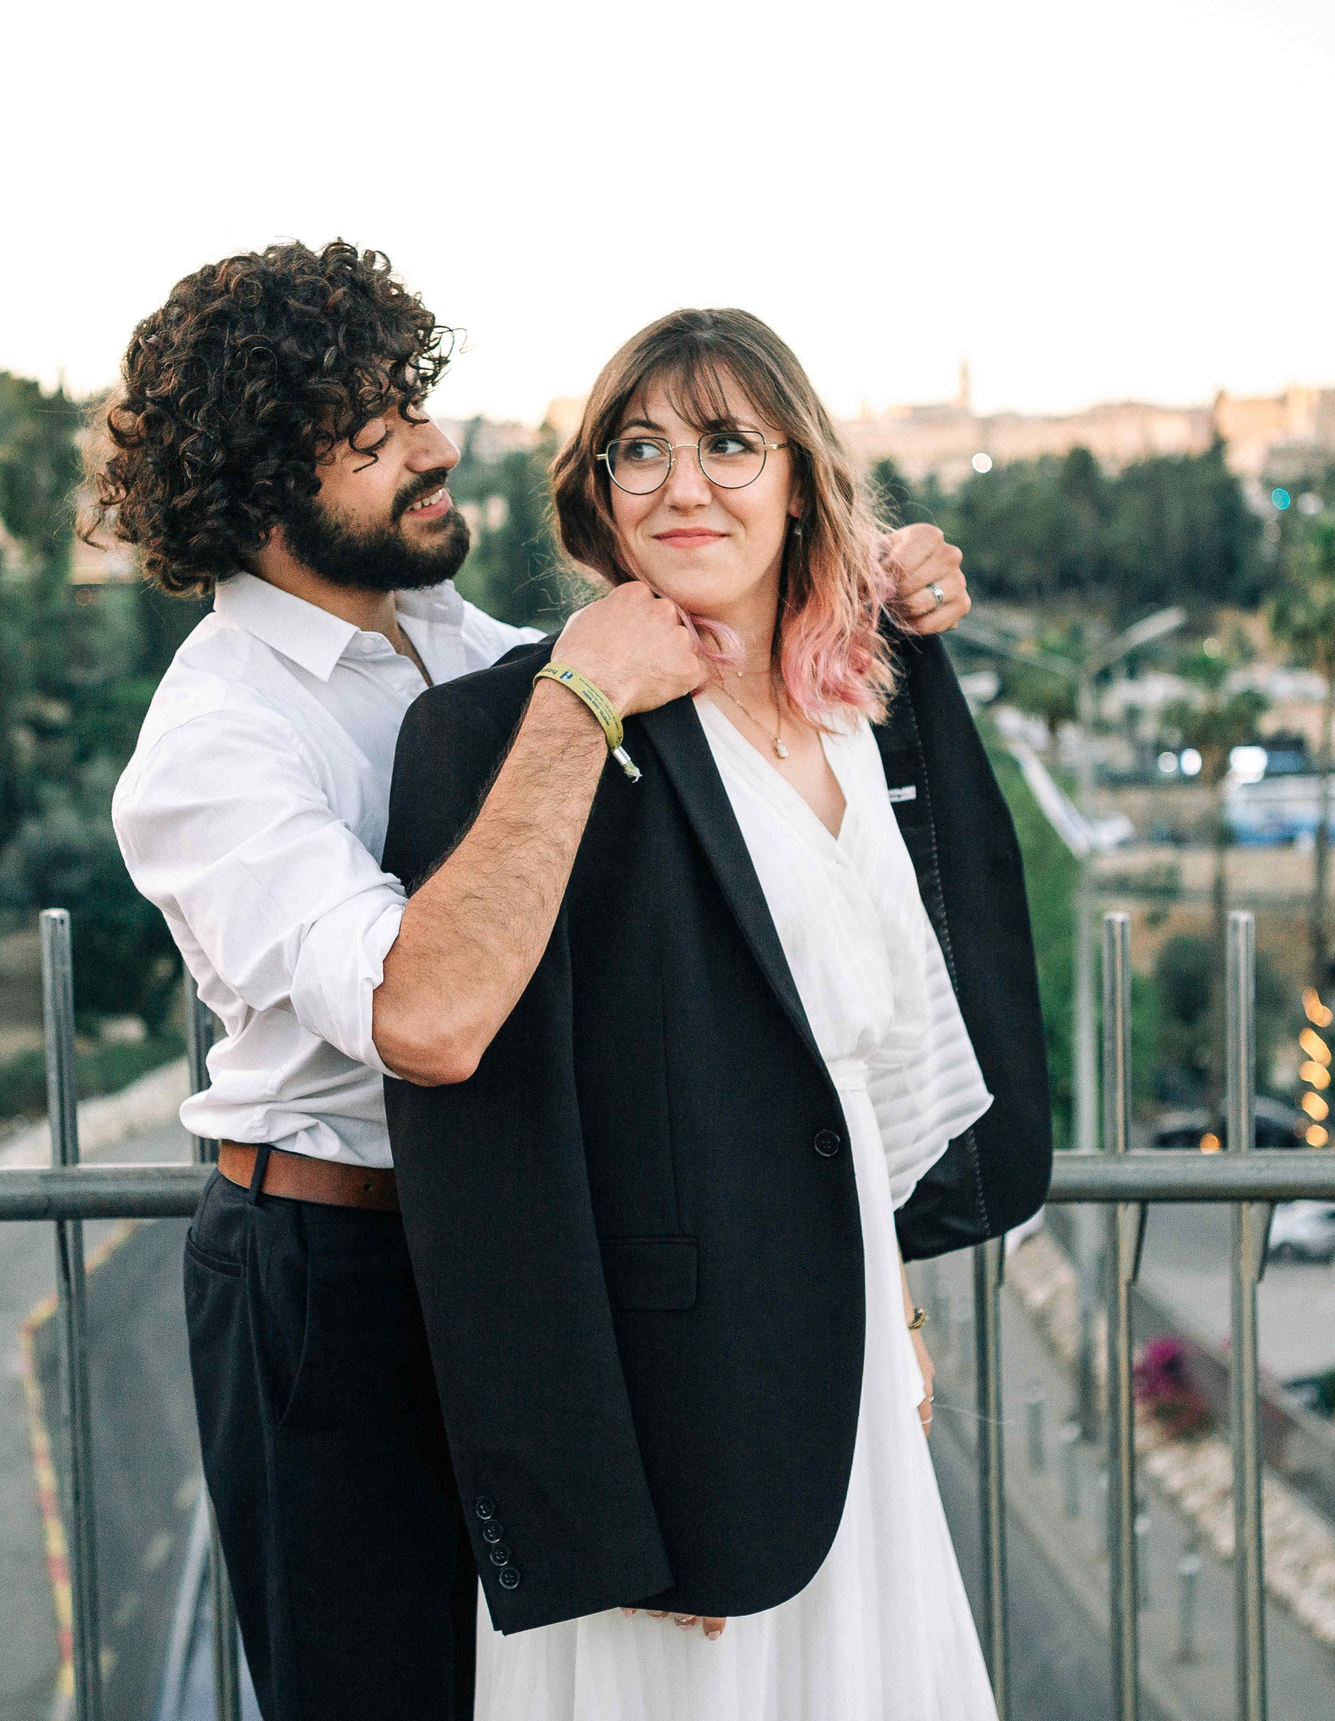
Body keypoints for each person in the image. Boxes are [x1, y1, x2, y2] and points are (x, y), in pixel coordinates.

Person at [97, 243, 969, 1721]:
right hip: (340, 1281)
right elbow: (427, 1019)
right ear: (258, 503)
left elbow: (717, 676)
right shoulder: (213, 744)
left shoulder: (448, 640)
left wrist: (866, 579)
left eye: (414, 408)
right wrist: (578, 695)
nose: (437, 450)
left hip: (527, 1252)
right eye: (376, 443)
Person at [381, 307, 1054, 1720]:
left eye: (730, 444)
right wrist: (605, 1510)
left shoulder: (862, 704)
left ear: (803, 477)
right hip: (666, 1452)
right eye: (642, 449)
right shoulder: (512, 736)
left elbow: (844, 1080)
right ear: (596, 493)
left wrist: (895, 1293)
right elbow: (504, 1174)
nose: (684, 484)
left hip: (842, 1365)